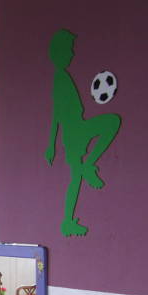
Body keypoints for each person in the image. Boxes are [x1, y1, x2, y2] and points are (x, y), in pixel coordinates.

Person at [45, 29, 121, 237]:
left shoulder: (63, 77)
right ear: (58, 53)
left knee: (111, 123)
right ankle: (68, 222)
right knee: (75, 178)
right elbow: (57, 114)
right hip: (73, 133)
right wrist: (51, 144)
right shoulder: (60, 79)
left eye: (71, 50)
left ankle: (88, 166)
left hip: (78, 128)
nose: (71, 54)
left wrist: (52, 144)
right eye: (68, 50)